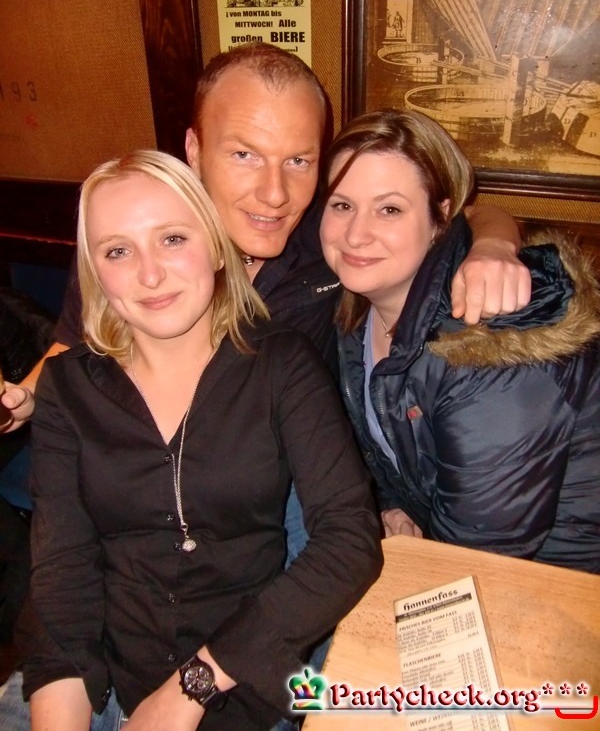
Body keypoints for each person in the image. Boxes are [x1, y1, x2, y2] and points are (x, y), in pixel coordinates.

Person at [18, 150, 383, 731]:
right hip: (107, 692)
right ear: (95, 273)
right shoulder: (67, 388)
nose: (150, 275)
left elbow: (349, 541)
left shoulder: (282, 364)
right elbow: (64, 573)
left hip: (250, 695)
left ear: (215, 247)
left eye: (171, 239)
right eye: (118, 251)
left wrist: (191, 688)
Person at [1, 42, 531, 433]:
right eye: (244, 155)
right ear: (194, 150)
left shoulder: (336, 231)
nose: (275, 195)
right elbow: (74, 343)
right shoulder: (138, 241)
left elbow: (469, 212)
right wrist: (23, 398)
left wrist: (493, 246)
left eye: (298, 161)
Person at [319, 108, 600, 574]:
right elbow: (384, 439)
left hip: (564, 584)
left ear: (440, 218)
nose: (355, 234)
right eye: (342, 205)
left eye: (389, 209)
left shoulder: (490, 347)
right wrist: (392, 502)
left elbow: (480, 554)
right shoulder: (359, 307)